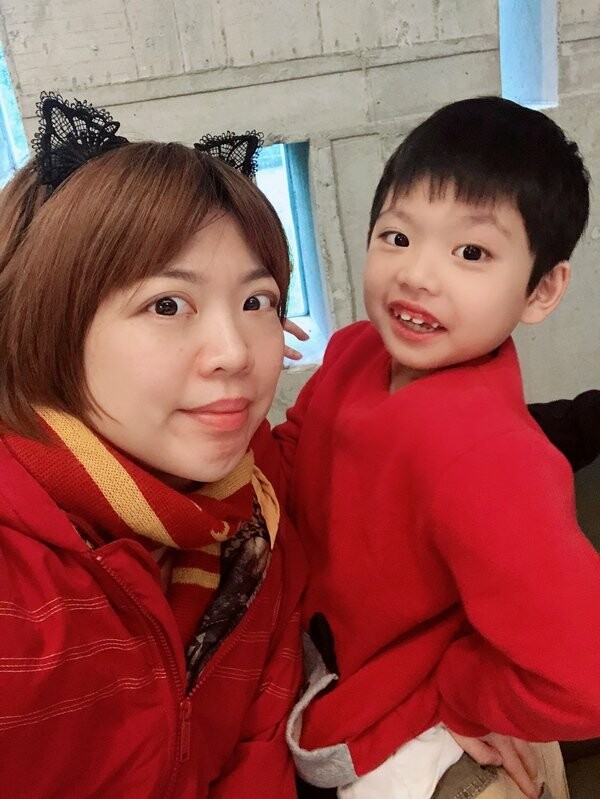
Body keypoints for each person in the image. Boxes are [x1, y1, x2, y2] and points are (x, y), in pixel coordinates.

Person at [274, 97, 600, 799]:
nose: (417, 274)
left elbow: (585, 676)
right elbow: (292, 456)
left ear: (541, 290)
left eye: (471, 252)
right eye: (396, 236)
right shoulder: (356, 350)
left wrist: (461, 692)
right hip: (315, 652)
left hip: (393, 731)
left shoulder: (497, 461)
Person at [0, 93, 306, 798]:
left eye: (256, 302)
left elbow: (258, 750)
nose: (235, 352)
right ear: (50, 326)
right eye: (167, 304)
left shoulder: (253, 518)